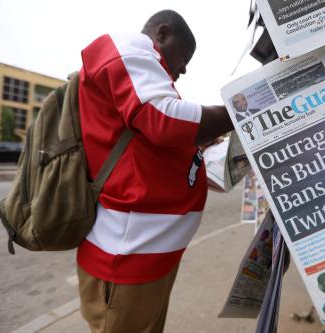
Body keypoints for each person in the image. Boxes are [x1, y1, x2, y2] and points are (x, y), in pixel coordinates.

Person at [76, 10, 233, 333]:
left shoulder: (146, 74)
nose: (185, 68)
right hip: (126, 258)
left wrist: (195, 148)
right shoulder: (129, 48)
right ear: (161, 34)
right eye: (184, 56)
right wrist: (242, 109)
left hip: (147, 257)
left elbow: (144, 141)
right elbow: (163, 121)